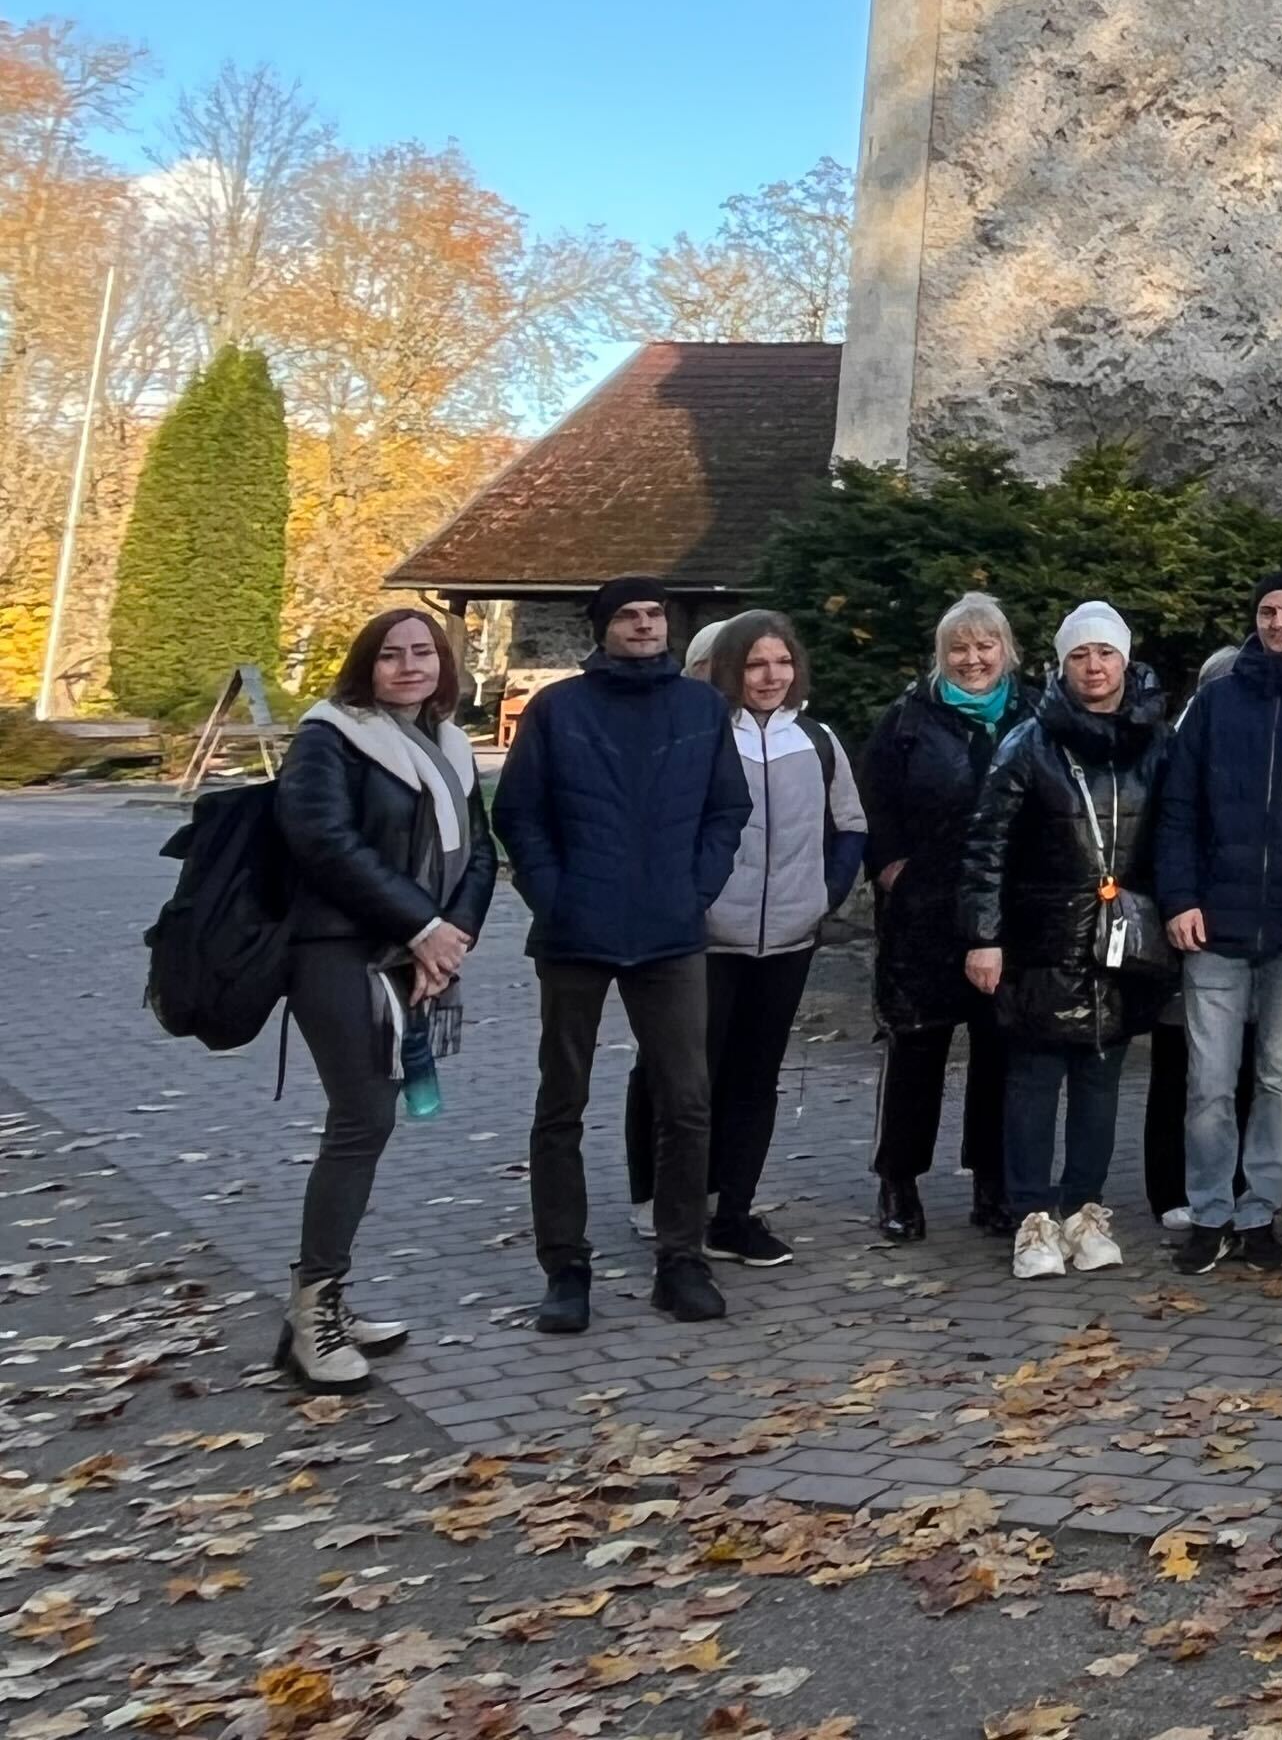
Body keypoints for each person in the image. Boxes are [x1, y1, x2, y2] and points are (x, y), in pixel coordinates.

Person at [493, 570, 752, 1334]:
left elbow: (726, 808)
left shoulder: (701, 708)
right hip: (577, 931)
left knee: (687, 1099)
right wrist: (554, 894)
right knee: (561, 1103)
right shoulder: (558, 710)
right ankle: (565, 1268)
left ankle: (681, 1259)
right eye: (629, 616)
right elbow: (519, 814)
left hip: (671, 933)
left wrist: (695, 887)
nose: (644, 626)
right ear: (601, 628)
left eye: (654, 614)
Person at [268, 606, 494, 1387]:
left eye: (423, 653)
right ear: (365, 665)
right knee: (360, 1120)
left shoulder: (449, 744)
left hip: (410, 951)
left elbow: (480, 851)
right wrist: (423, 924)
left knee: (372, 1119)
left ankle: (321, 1297)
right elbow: (324, 842)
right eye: (391, 654)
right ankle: (314, 1316)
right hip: (338, 953)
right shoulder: (329, 736)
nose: (408, 666)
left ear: (442, 665)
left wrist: (450, 934)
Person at [1152, 568, 1282, 1276]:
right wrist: (1179, 898)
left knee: (1278, 1078)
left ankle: (1261, 1211)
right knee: (1210, 1082)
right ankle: (1210, 1212)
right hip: (1215, 923)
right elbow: (1178, 809)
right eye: (1268, 611)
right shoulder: (1216, 703)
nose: (1279, 623)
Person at [637, 612, 864, 1270]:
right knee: (691, 1083)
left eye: (783, 663)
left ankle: (735, 1213)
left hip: (790, 939)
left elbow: (850, 824)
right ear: (732, 667)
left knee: (757, 1080)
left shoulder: (819, 741)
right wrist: (689, 901)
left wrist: (828, 893)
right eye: (757, 664)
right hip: (708, 941)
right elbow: (666, 828)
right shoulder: (701, 735)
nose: (771, 676)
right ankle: (680, 1211)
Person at [962, 600, 1171, 1279]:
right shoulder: (1028, 742)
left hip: (1120, 943)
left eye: (1104, 653)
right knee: (1032, 1078)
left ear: (1125, 659)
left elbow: (1173, 837)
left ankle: (1086, 1211)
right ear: (1062, 663)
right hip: (1041, 939)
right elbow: (987, 846)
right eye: (1080, 654)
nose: (1093, 666)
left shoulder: (1155, 743)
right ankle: (1032, 1220)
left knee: (1101, 1079)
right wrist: (984, 937)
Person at [864, 595, 1019, 1241]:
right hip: (925, 912)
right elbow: (874, 803)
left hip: (1006, 911)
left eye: (985, 645)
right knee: (917, 1050)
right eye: (959, 647)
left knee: (1000, 1052)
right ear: (941, 656)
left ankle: (992, 1180)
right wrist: (893, 866)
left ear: (1006, 651)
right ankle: (899, 1182)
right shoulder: (907, 720)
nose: (973, 658)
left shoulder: (1034, 713)